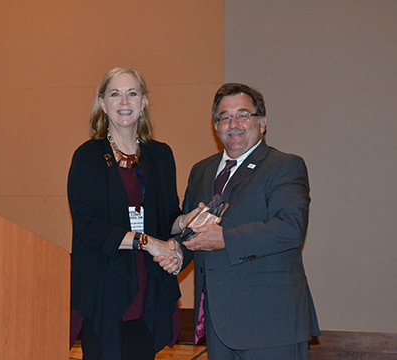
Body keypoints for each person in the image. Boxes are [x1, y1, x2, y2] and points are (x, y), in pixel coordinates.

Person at [157, 83, 320, 360]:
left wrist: (224, 239)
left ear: (262, 122)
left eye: (243, 115)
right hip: (218, 324)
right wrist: (176, 253)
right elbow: (194, 233)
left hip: (271, 323)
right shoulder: (201, 171)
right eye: (224, 117)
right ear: (215, 125)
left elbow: (291, 228)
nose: (233, 124)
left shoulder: (284, 166)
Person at [68, 67, 196, 360]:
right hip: (106, 288)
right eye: (115, 94)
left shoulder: (160, 155)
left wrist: (185, 221)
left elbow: (167, 218)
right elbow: (87, 226)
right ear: (103, 104)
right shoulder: (88, 156)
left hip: (147, 286)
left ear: (144, 102)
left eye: (132, 93)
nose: (124, 101)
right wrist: (147, 242)